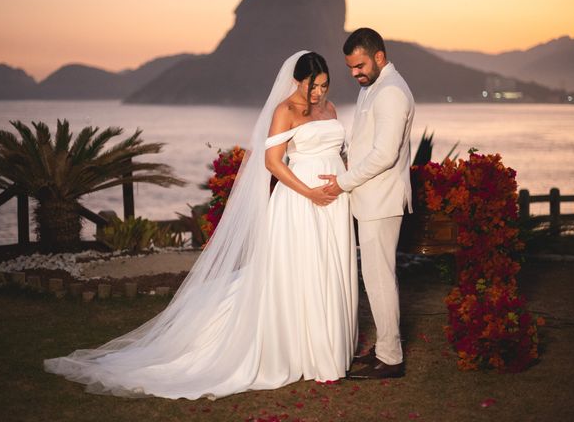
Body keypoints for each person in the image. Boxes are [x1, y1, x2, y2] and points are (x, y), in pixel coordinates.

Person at [44, 51, 358, 399]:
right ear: (297, 81)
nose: (318, 93)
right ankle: (307, 352)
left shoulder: (329, 110)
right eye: (312, 86)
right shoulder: (284, 110)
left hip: (335, 199)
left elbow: (337, 150)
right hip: (301, 200)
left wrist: (344, 175)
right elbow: (272, 162)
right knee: (301, 271)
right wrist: (310, 192)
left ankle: (331, 345)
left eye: (324, 85)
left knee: (331, 267)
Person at [321, 28, 415, 379]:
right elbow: (363, 144)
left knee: (379, 278)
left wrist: (342, 183)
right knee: (374, 276)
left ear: (379, 56)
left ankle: (391, 359)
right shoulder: (372, 87)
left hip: (382, 198)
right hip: (370, 197)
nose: (354, 73)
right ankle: (384, 348)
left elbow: (384, 155)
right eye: (350, 67)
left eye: (359, 65)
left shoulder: (391, 92)